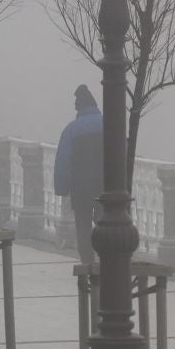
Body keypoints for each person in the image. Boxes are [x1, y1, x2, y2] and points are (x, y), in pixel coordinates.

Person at [54, 85, 104, 269]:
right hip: (105, 184)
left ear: (79, 109)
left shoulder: (71, 130)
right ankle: (105, 256)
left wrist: (61, 187)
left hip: (80, 187)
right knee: (103, 220)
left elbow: (63, 161)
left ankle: (87, 260)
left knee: (83, 224)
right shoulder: (108, 123)